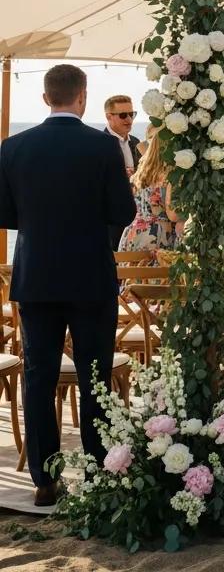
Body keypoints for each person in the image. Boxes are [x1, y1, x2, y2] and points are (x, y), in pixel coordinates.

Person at [0, 64, 136, 506]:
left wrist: (40, 224)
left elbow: (3, 215)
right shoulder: (102, 147)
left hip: (36, 275)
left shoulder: (13, 147)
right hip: (91, 276)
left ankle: (45, 479)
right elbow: (124, 211)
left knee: (38, 376)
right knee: (94, 374)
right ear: (81, 97)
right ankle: (98, 470)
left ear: (45, 98)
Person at [119, 125, 183, 257]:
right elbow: (173, 215)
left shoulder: (139, 175)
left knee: (133, 276)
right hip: (158, 235)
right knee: (156, 276)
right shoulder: (170, 176)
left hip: (134, 232)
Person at [103, 94, 141, 248]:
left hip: (135, 215)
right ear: (109, 117)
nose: (129, 120)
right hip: (110, 219)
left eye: (132, 114)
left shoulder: (136, 143)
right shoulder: (100, 144)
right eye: (123, 115)